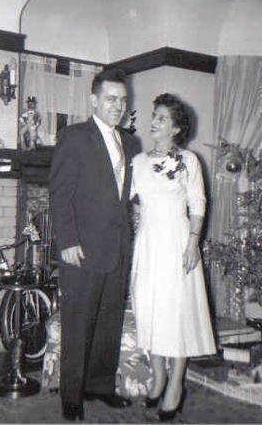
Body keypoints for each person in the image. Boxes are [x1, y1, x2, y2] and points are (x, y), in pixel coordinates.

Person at [49, 68, 141, 421]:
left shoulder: (131, 143)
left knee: (109, 320)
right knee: (78, 322)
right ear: (94, 100)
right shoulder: (74, 137)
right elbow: (60, 193)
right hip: (82, 249)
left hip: (117, 247)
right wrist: (67, 241)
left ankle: (100, 386)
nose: (118, 106)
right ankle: (71, 395)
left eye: (123, 100)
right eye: (110, 99)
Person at [130, 93, 217, 421]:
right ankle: (159, 378)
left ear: (176, 128)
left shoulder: (189, 161)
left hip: (178, 242)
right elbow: (126, 199)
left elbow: (198, 202)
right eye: (154, 115)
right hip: (148, 243)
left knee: (176, 314)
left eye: (162, 118)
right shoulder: (138, 162)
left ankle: (176, 386)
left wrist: (193, 243)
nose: (154, 122)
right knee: (150, 311)